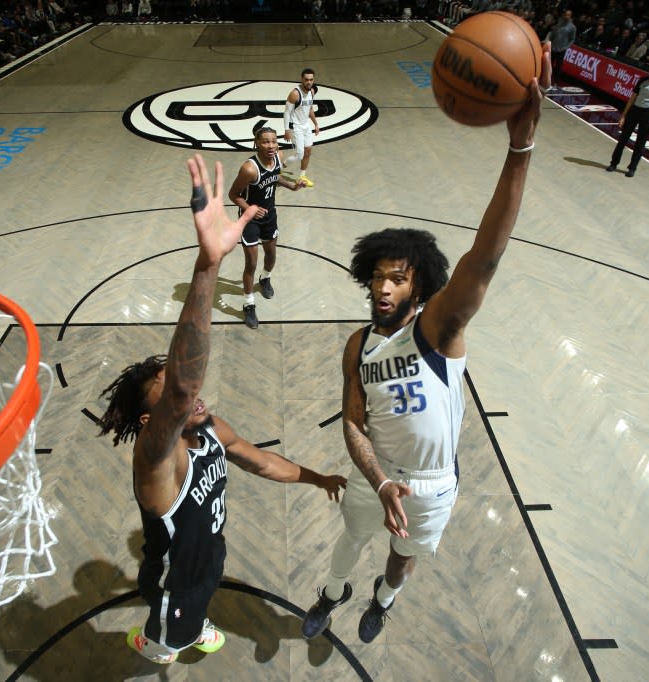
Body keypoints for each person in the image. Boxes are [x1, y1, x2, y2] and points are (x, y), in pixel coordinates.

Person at [300, 43, 550, 645]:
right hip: (375, 475)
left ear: (420, 286)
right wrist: (379, 479)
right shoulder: (357, 345)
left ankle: (384, 599)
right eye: (377, 276)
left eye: (397, 278)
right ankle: (332, 594)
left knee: (399, 557)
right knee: (348, 541)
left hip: (433, 482)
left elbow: (485, 257)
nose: (383, 288)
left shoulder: (437, 331)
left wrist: (520, 150)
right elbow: (355, 423)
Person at [96, 155, 346, 665]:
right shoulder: (157, 462)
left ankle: (189, 623)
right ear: (153, 423)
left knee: (209, 580)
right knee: (173, 642)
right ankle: (156, 643)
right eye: (171, 399)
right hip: (175, 589)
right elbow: (184, 387)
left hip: (207, 558)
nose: (191, 399)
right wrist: (208, 264)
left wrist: (318, 479)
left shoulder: (207, 429)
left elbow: (257, 460)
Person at [227, 123, 306, 330]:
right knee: (251, 263)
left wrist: (293, 186)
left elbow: (275, 177)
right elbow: (233, 195)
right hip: (249, 219)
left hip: (270, 216)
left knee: (271, 256)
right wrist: (251, 208)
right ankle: (249, 304)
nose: (271, 145)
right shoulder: (248, 169)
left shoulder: (278, 157)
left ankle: (265, 278)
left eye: (274, 141)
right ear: (257, 143)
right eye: (265, 142)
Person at [607, 60, 649, 177]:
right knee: (623, 139)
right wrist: (623, 115)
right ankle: (614, 163)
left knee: (640, 142)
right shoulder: (642, 80)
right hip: (635, 110)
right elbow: (632, 98)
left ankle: (632, 168)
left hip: (648, 112)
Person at [282, 68, 320, 188]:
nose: (309, 82)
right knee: (300, 154)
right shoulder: (295, 93)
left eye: (311, 80)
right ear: (302, 80)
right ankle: (281, 165)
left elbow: (310, 109)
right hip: (295, 126)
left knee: (308, 151)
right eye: (306, 80)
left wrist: (316, 124)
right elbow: (287, 113)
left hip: (306, 125)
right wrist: (286, 130)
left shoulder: (312, 92)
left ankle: (302, 176)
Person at [547, 9, 577, 87]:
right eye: (565, 14)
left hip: (561, 50)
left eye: (568, 15)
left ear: (570, 16)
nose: (566, 16)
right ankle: (547, 79)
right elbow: (553, 33)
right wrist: (550, 40)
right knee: (549, 64)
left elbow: (572, 39)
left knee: (558, 67)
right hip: (553, 47)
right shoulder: (559, 23)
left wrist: (566, 47)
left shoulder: (572, 27)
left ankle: (556, 82)